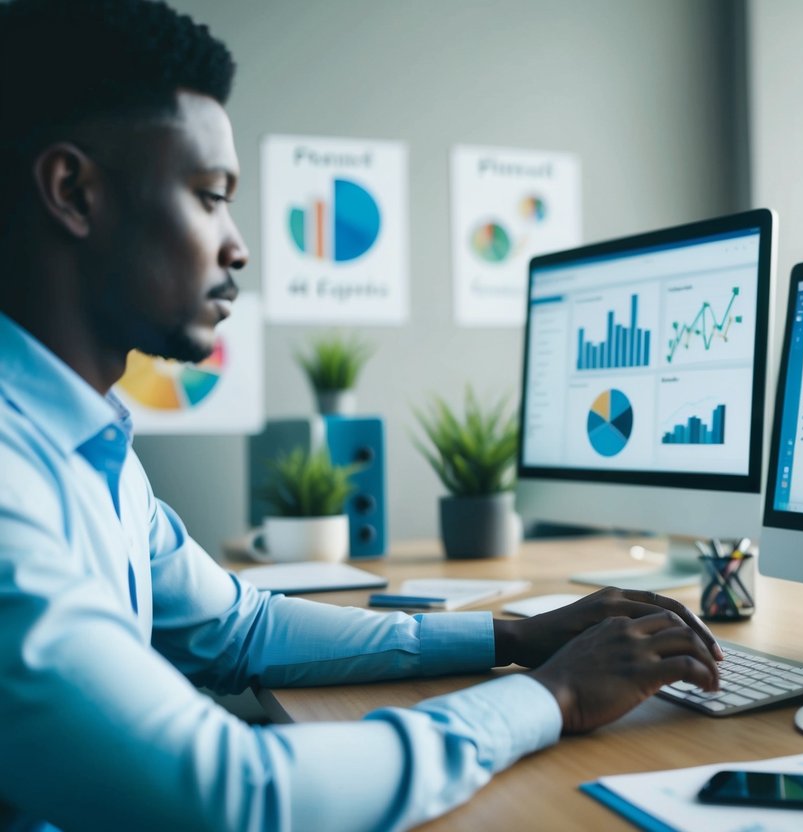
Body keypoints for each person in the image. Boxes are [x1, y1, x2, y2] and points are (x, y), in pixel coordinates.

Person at [0, 1, 722, 829]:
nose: (236, 246)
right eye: (209, 196)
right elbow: (233, 794)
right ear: (72, 193)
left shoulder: (92, 450)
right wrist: (550, 694)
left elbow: (238, 629)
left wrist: (514, 639)